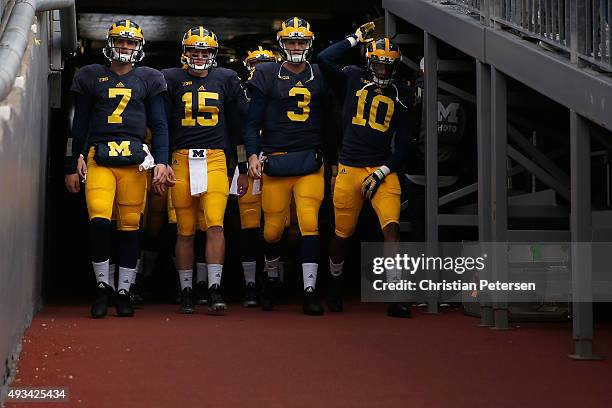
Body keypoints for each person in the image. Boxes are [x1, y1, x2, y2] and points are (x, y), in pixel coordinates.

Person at [70, 19, 169, 318]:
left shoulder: (148, 78)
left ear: (139, 47)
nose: (125, 46)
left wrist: (162, 161)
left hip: (135, 161)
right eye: (121, 41)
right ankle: (103, 288)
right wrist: (70, 162)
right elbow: (79, 125)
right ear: (110, 44)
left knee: (130, 226)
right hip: (99, 156)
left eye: (130, 42)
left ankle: (124, 290)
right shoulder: (91, 76)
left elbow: (160, 124)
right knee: (100, 220)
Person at [318, 23, 413, 317]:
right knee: (341, 234)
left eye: (388, 66)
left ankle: (395, 293)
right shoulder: (352, 77)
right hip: (349, 167)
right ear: (368, 62)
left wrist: (383, 171)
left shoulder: (403, 94)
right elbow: (324, 59)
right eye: (378, 65)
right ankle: (334, 286)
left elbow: (406, 145)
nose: (382, 72)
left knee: (392, 228)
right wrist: (354, 38)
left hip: (381, 169)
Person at [245, 17, 335, 315]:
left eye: (301, 41)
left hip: (310, 159)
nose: (296, 47)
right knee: (272, 230)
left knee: (309, 223)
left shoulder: (320, 73)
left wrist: (333, 160)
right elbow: (252, 121)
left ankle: (309, 290)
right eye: (292, 41)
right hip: (276, 160)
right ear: (282, 44)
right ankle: (271, 279)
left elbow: (333, 122)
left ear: (309, 43)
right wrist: (253, 154)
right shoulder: (267, 73)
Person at [162, 26, 248, 314]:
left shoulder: (226, 79)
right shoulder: (171, 78)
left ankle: (214, 288)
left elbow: (238, 128)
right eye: (194, 51)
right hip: (181, 158)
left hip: (215, 159)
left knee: (215, 223)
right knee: (185, 230)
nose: (199, 56)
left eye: (205, 51)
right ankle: (186, 289)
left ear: (213, 54)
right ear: (184, 53)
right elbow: (161, 125)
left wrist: (244, 165)